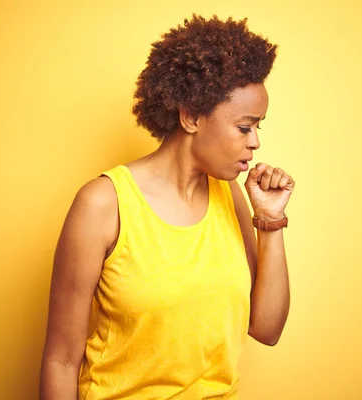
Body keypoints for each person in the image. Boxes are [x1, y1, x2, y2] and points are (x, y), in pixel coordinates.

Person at [40, 14, 295, 400]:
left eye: (259, 126)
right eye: (245, 127)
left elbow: (267, 329)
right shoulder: (104, 203)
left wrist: (271, 222)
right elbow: (61, 359)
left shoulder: (232, 197)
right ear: (191, 116)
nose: (255, 142)